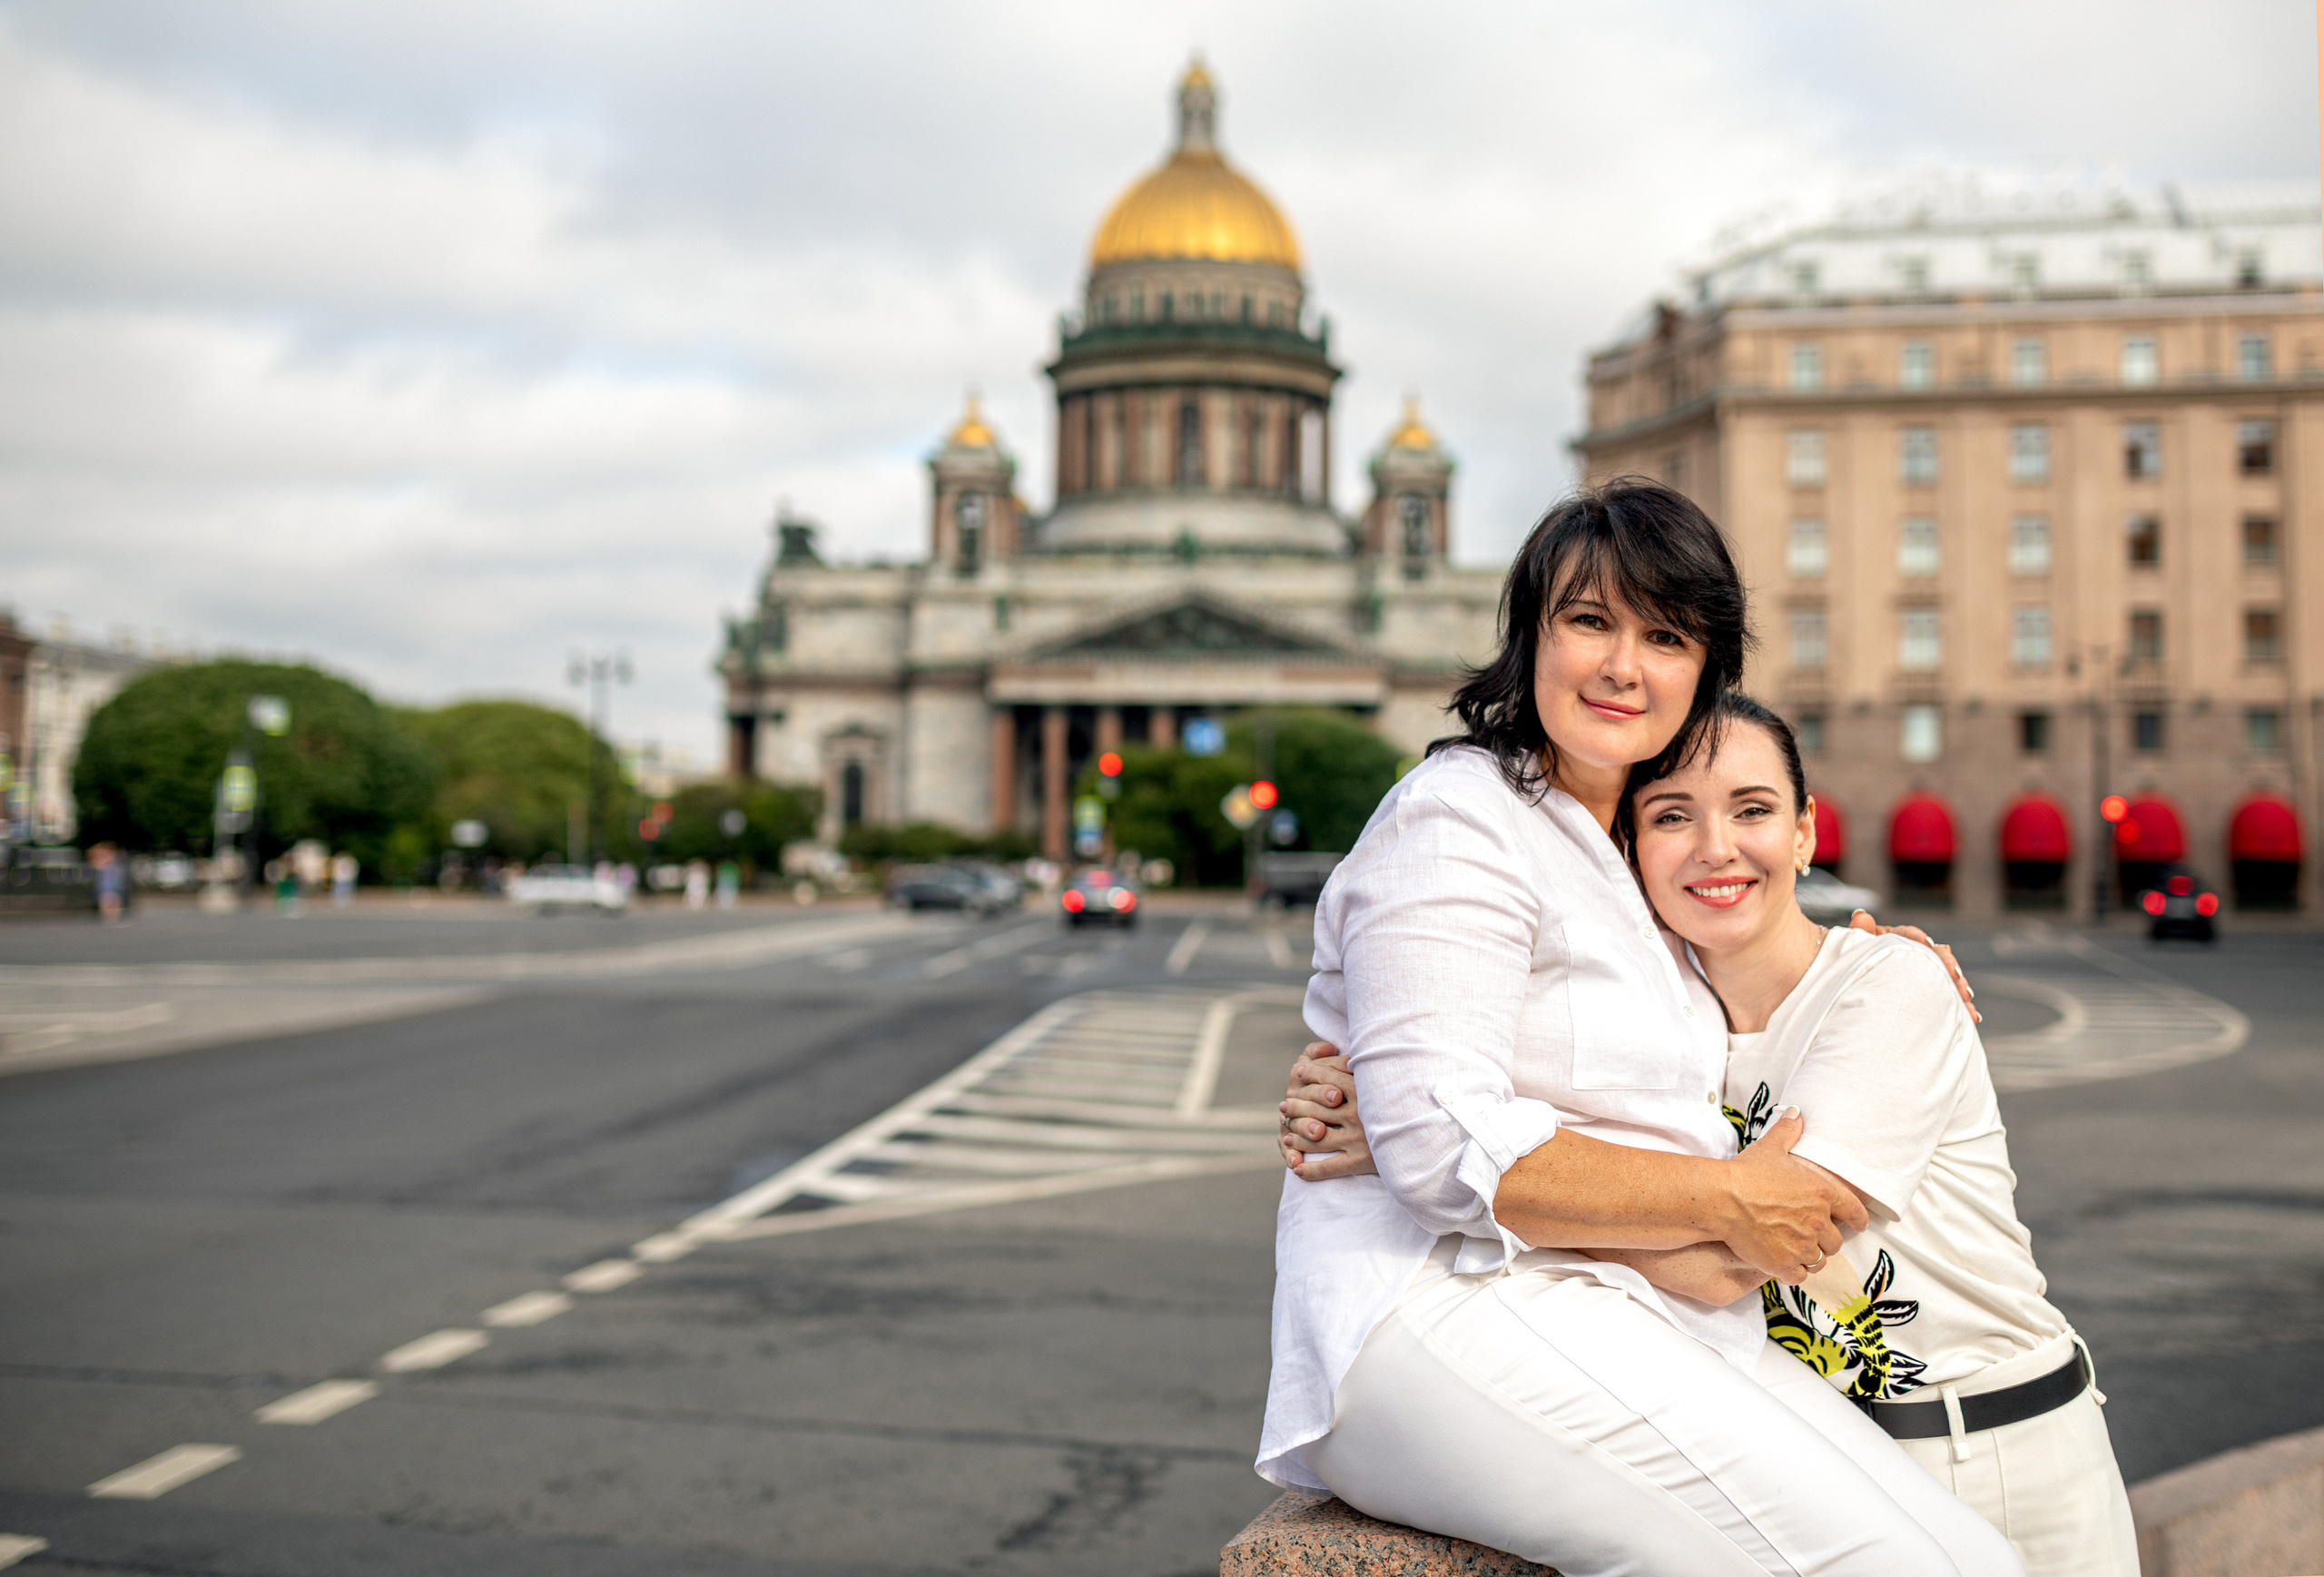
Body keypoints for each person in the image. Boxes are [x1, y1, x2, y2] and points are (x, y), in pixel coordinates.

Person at [1264, 479, 2020, 1577]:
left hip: (1638, 1304)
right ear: (1530, 637)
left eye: (1664, 635)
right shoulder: (1459, 816)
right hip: (1436, 1312)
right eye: (1589, 621)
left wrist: (1872, 952)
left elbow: (1467, 1131)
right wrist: (1724, 1199)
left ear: (1704, 674)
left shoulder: (1631, 860)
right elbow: (1444, 1146)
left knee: (1972, 1564)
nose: (1623, 664)